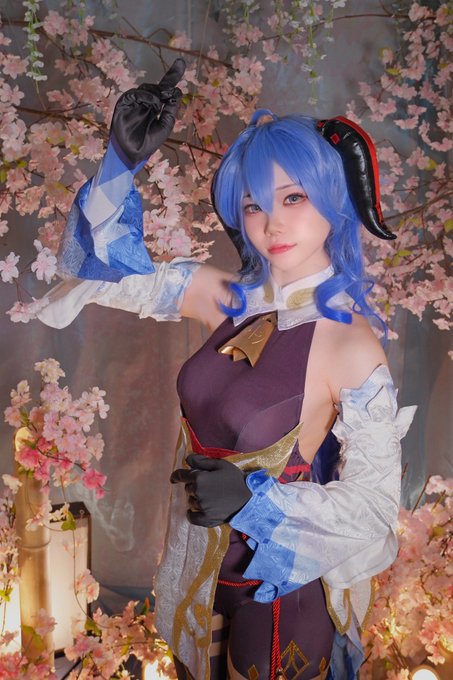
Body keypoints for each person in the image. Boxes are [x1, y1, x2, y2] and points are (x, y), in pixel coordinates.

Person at [38, 60, 416, 680]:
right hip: (197, 578)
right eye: (253, 204)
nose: (274, 223)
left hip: (283, 593)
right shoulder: (228, 299)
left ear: (333, 197)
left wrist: (256, 501)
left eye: (294, 197)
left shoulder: (351, 345)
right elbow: (101, 273)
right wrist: (119, 165)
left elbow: (375, 510)